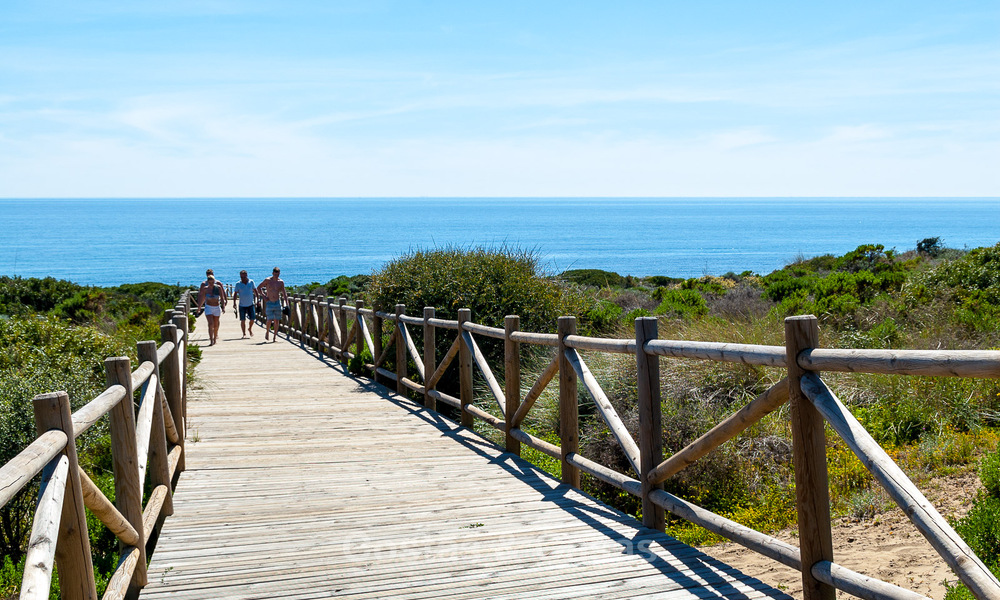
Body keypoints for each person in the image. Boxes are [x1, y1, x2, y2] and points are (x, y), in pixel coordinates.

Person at [196, 274, 226, 346]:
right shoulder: (205, 289)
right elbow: (203, 298)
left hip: (216, 307)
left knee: (216, 325)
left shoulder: (218, 288)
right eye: (210, 283)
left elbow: (222, 297)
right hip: (208, 307)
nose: (211, 284)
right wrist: (199, 307)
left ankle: (215, 338)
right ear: (208, 282)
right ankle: (211, 340)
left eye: (212, 282)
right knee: (210, 324)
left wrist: (223, 306)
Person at [261, 267, 289, 343]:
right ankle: (267, 331)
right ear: (272, 273)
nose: (276, 275)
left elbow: (284, 293)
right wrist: (264, 297)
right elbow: (258, 288)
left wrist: (287, 303)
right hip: (269, 302)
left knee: (277, 320)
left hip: (277, 302)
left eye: (278, 274)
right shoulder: (267, 280)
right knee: (269, 319)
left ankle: (274, 337)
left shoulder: (281, 282)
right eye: (275, 274)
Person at [232, 270, 258, 338]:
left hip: (250, 304)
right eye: (241, 277)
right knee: (242, 320)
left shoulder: (251, 282)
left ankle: (250, 328)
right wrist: (234, 303)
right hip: (242, 305)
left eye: (244, 276)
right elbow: (235, 294)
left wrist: (258, 300)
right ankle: (244, 333)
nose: (243, 278)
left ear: (246, 275)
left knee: (252, 319)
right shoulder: (238, 284)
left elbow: (255, 291)